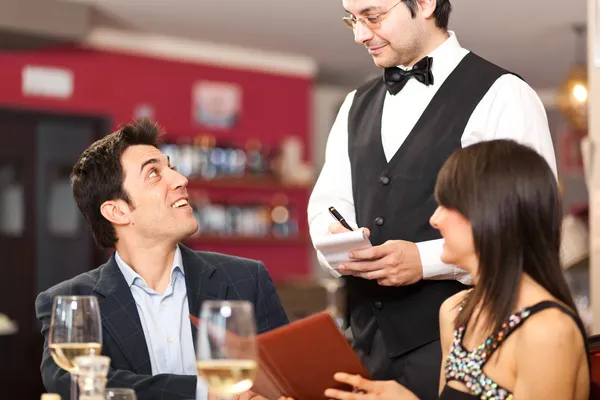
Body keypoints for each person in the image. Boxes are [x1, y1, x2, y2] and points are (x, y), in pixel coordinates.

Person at [307, 1, 557, 398]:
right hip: (365, 346)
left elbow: (530, 230)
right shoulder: (354, 106)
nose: (359, 35)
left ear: (424, 4)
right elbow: (326, 206)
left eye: (372, 17)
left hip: (465, 345)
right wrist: (336, 239)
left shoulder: (504, 94)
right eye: (351, 20)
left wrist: (423, 262)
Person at [309, 140, 591, 399]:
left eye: (448, 206)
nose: (435, 219)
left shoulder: (547, 330)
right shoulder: (455, 312)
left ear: (492, 215)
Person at [35, 118, 289, 400]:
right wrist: (205, 392)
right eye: (154, 173)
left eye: (172, 168)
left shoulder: (246, 279)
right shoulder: (71, 299)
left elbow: (287, 379)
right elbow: (76, 383)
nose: (181, 180)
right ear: (117, 212)